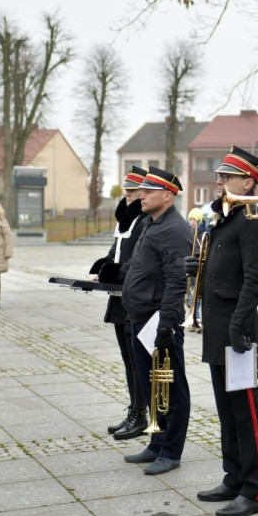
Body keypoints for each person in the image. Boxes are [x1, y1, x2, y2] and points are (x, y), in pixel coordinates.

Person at [186, 146, 258, 516]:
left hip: (237, 326)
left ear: (249, 181)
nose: (218, 181)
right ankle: (233, 476)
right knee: (225, 409)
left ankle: (255, 490)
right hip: (218, 324)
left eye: (227, 177)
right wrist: (197, 267)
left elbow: (254, 279)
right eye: (219, 176)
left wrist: (239, 323)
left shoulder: (252, 219)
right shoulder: (225, 217)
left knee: (246, 412)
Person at [121, 167, 193, 475]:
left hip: (159, 321)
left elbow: (177, 281)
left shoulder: (174, 229)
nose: (141, 195)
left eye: (148, 192)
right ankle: (157, 442)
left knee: (171, 386)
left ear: (167, 195)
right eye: (141, 190)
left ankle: (171, 451)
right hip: (141, 317)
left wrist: (166, 324)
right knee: (152, 385)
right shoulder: (152, 223)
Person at [97, 166, 149, 441]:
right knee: (127, 359)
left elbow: (137, 260)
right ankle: (134, 409)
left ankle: (141, 414)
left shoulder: (144, 220)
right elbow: (115, 250)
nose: (128, 195)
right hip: (119, 296)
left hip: (134, 294)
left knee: (137, 358)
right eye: (126, 190)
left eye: (133, 190)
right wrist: (102, 266)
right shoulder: (124, 219)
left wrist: (115, 271)